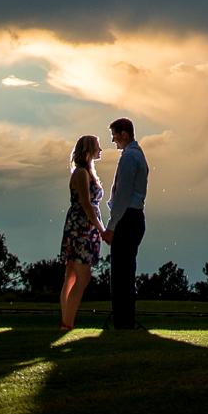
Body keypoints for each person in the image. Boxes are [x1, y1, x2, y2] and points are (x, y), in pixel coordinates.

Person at [58, 134, 106, 331]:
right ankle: (67, 323)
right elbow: (86, 204)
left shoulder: (86, 172)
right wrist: (101, 229)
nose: (100, 150)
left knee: (71, 276)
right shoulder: (81, 173)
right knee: (82, 277)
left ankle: (66, 322)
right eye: (97, 146)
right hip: (81, 229)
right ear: (88, 149)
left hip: (81, 227)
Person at [105, 116, 149, 330]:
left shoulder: (129, 157)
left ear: (124, 134)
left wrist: (111, 226)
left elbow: (123, 194)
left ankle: (122, 321)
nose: (114, 141)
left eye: (115, 136)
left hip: (127, 218)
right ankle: (125, 320)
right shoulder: (137, 155)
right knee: (126, 272)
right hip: (135, 217)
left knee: (121, 273)